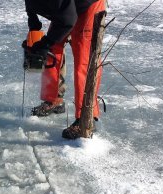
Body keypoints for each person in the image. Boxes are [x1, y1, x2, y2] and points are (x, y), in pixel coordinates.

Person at [24, 0, 106, 139]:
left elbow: (68, 19)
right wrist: (34, 29)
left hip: (88, 6)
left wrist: (45, 43)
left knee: (83, 60)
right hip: (66, 8)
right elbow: (31, 5)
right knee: (51, 50)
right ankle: (53, 100)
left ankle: (86, 118)